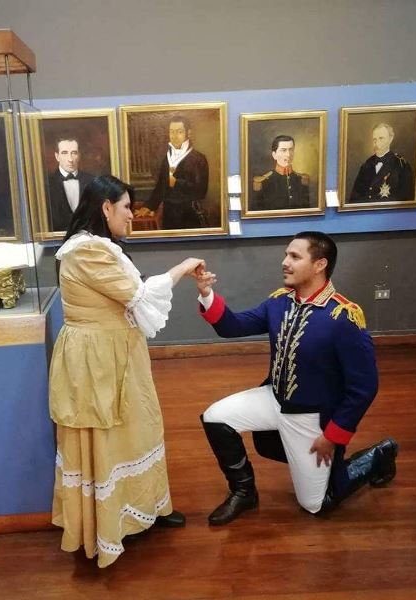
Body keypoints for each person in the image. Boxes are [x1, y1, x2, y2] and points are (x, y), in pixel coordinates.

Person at [49, 174, 204, 567]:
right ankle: (107, 524)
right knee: (107, 436)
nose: (132, 215)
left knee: (138, 428)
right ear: (106, 208)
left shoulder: (100, 247)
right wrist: (183, 267)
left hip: (117, 351)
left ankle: (147, 508)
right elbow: (140, 296)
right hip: (97, 359)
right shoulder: (86, 251)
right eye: (126, 207)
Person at [195, 231, 398, 525]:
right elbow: (233, 326)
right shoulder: (279, 302)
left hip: (310, 417)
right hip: (274, 398)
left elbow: (364, 387)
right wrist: (206, 294)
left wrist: (333, 436)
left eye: (294, 256)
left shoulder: (343, 316)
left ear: (319, 264)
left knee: (315, 504)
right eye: (286, 255)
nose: (285, 262)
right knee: (216, 417)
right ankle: (244, 492)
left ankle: (379, 455)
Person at [135, 116, 209, 230]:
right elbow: (160, 187)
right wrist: (149, 207)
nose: (174, 136)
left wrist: (176, 183)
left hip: (189, 215)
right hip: (169, 215)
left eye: (179, 132)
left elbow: (201, 192)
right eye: (171, 132)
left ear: (188, 133)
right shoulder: (167, 157)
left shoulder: (199, 159)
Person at [349, 123, 414, 203]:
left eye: (381, 138)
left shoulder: (401, 165)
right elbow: (355, 197)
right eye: (374, 139)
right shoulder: (367, 164)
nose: (377, 143)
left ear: (390, 139)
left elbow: (406, 199)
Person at [250, 135, 310, 211]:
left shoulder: (302, 179)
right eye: (283, 150)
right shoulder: (263, 182)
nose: (288, 154)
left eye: (291, 150)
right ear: (274, 155)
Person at [48, 136, 94, 231]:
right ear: (57, 156)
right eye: (64, 153)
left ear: (79, 155)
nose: (70, 159)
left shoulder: (92, 181)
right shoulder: (47, 184)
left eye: (74, 153)